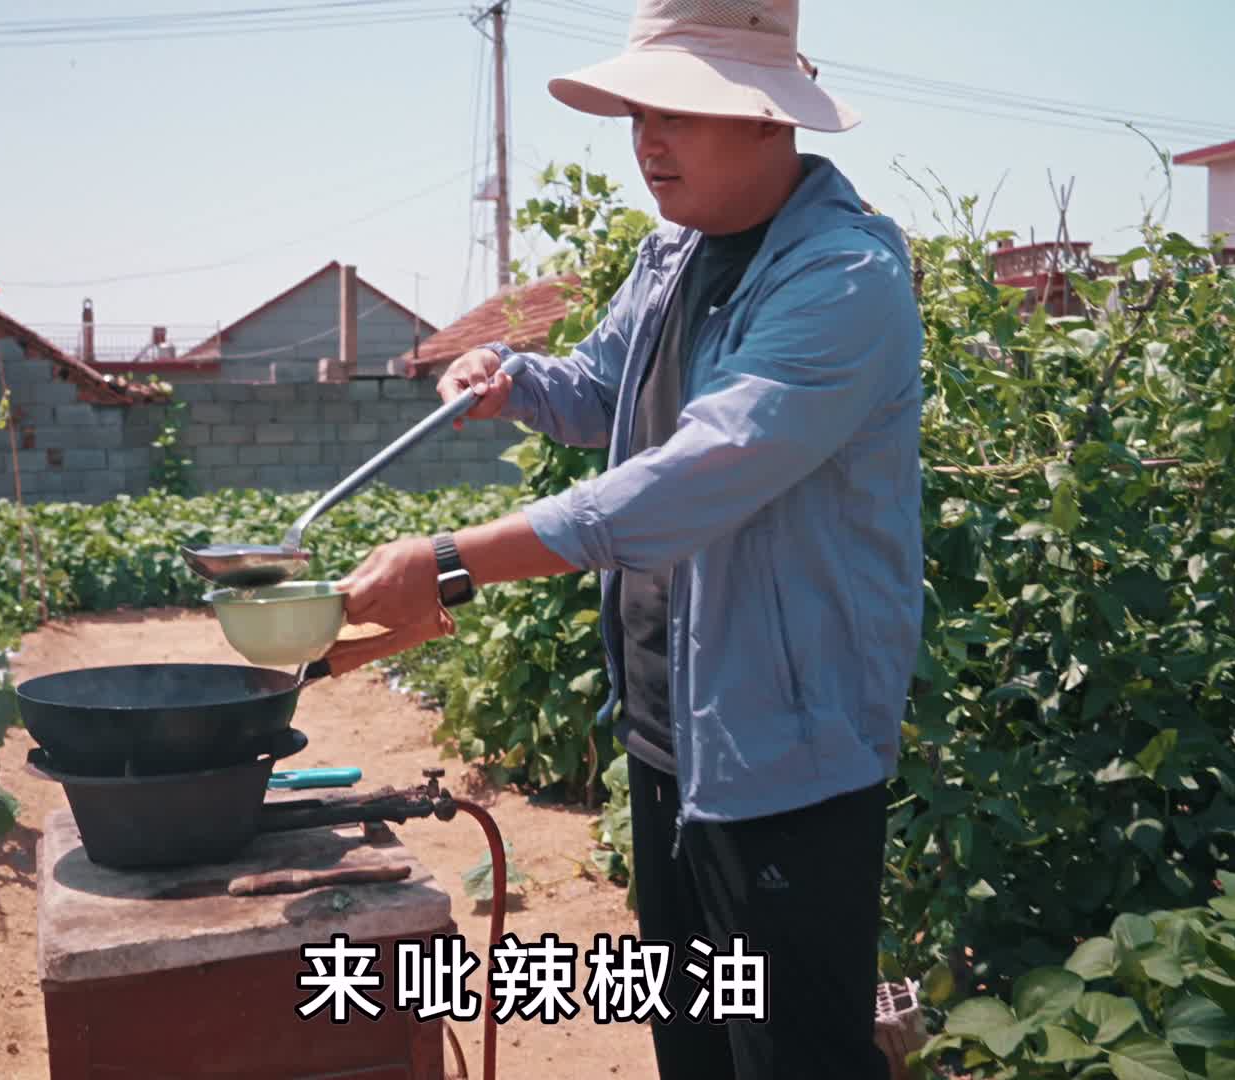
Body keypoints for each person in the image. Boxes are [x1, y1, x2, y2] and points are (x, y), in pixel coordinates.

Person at [322, 1, 923, 1076]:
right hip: (668, 732)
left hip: (786, 757)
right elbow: (605, 385)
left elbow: (693, 477)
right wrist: (513, 380)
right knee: (693, 1038)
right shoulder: (674, 257)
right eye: (640, 113)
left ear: (767, 117)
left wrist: (451, 562)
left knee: (793, 1056)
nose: (648, 140)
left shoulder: (844, 281)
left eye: (677, 112)